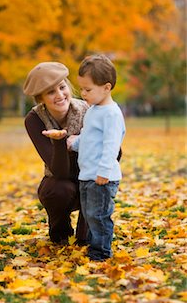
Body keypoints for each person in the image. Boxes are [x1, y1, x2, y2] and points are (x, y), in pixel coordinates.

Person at [67, 54, 126, 261]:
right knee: (90, 214)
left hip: (102, 176)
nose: (82, 93)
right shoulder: (93, 110)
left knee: (98, 216)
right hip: (87, 174)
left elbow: (111, 145)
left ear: (106, 87)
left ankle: (101, 252)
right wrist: (75, 143)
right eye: (81, 88)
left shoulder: (111, 114)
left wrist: (104, 171)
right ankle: (94, 245)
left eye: (88, 89)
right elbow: (90, 138)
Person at [23, 62, 89, 245]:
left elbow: (114, 151)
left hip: (90, 177)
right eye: (51, 92)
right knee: (58, 190)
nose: (60, 95)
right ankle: (60, 229)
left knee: (92, 185)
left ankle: (86, 233)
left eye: (62, 87)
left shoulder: (88, 110)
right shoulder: (34, 120)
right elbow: (59, 172)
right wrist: (60, 141)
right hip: (59, 180)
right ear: (41, 98)